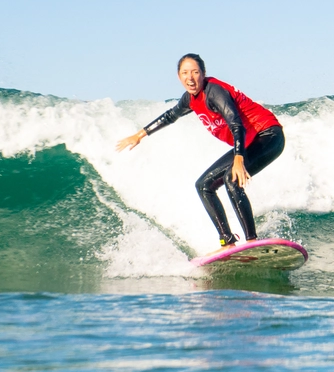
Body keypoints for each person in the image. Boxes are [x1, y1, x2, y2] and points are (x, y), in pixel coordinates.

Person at [116, 53, 285, 248]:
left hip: (268, 135)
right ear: (179, 77)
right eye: (185, 73)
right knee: (204, 185)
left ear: (203, 74)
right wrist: (140, 135)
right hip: (248, 143)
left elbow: (236, 125)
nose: (190, 77)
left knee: (231, 178)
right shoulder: (190, 99)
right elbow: (171, 115)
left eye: (195, 72)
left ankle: (252, 241)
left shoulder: (214, 92)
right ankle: (227, 241)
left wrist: (239, 159)